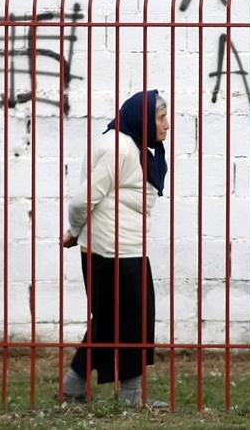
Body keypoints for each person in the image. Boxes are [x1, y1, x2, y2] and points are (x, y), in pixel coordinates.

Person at [60, 89, 170, 408]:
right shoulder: (119, 148)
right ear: (143, 118)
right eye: (161, 118)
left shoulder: (133, 145)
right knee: (128, 318)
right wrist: (74, 231)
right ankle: (129, 396)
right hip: (111, 250)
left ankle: (74, 385)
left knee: (115, 318)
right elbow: (83, 200)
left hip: (125, 246)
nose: (166, 125)